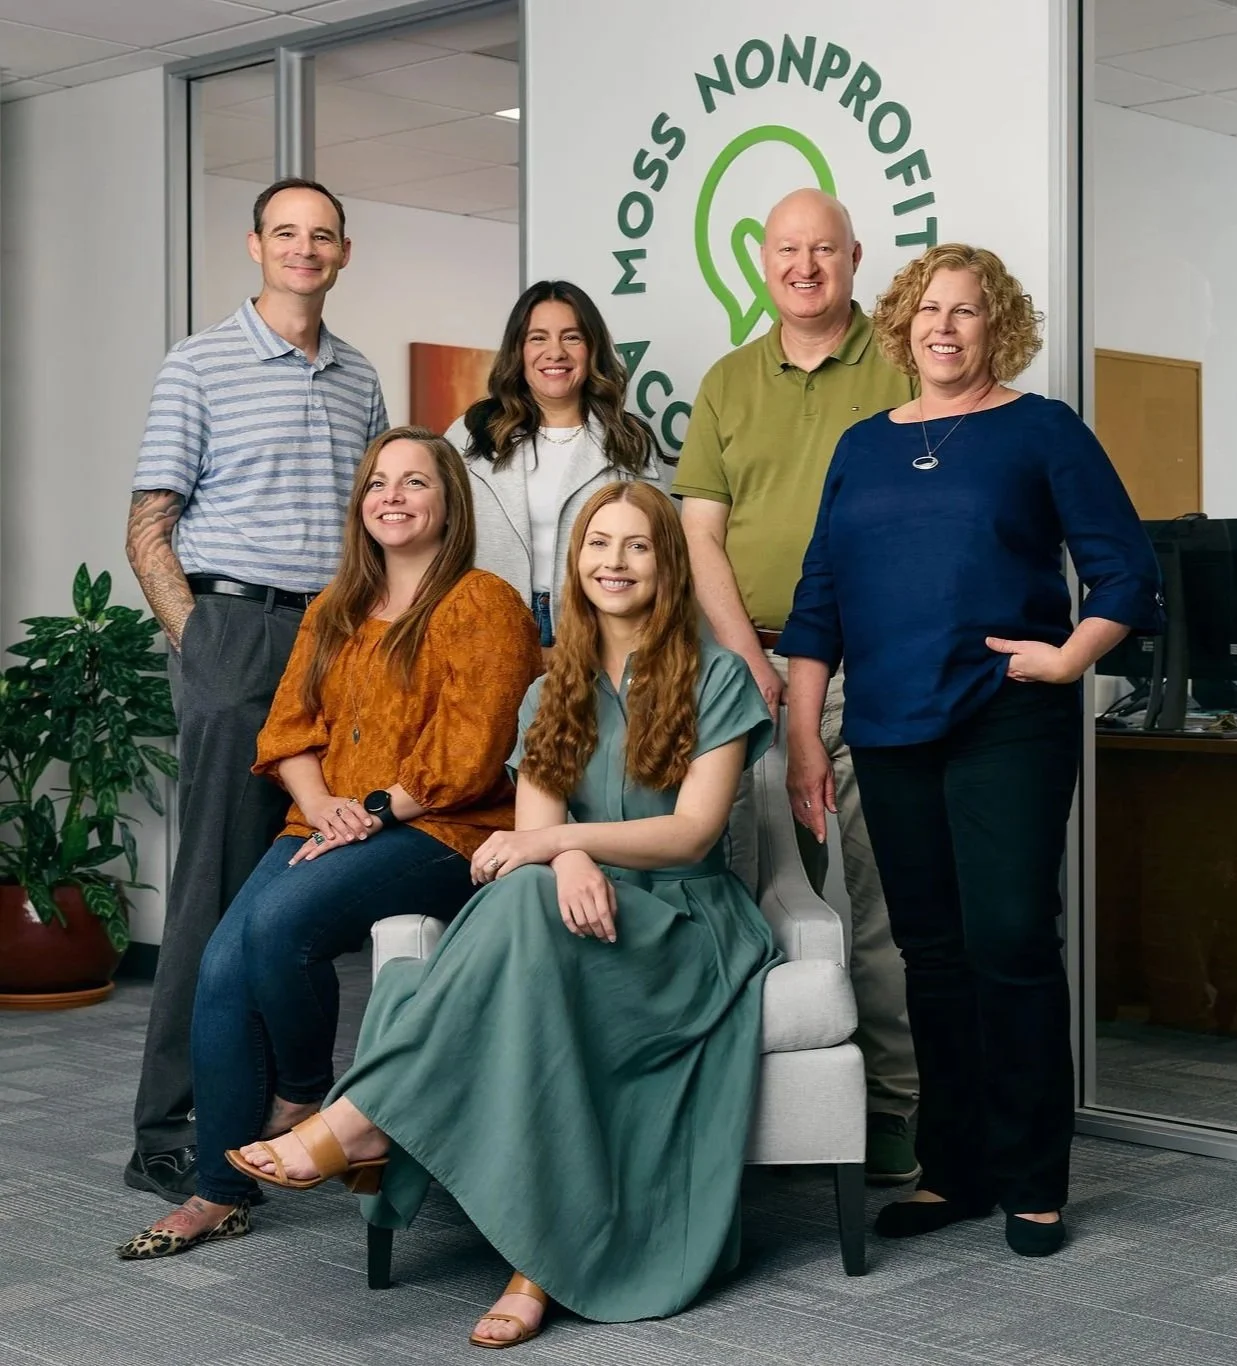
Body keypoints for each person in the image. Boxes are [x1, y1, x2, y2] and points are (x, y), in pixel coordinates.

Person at [221, 481, 780, 1344]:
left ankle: (367, 1117)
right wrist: (570, 853)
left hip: (685, 922)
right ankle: (532, 1258)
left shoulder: (718, 675)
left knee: (522, 889)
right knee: (524, 899)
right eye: (599, 545)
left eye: (637, 546)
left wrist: (561, 849)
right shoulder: (547, 689)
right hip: (575, 907)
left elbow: (692, 833)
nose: (615, 562)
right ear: (576, 565)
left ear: (668, 563)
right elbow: (538, 833)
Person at [779, 243, 1164, 1257]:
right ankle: (953, 1169)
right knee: (930, 957)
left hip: (1005, 720)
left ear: (996, 329)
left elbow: (1124, 570)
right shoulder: (861, 445)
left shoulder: (1040, 431)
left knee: (1008, 943)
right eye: (928, 310)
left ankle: (1032, 1178)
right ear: (902, 324)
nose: (943, 327)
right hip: (885, 727)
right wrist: (801, 741)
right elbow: (817, 603)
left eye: (966, 313)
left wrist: (1067, 654)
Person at [116, 427, 542, 1260]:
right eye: (379, 482)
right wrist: (325, 806)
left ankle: (306, 1094)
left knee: (279, 928)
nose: (392, 496)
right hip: (330, 818)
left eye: (415, 482)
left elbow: (473, 749)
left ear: (447, 502)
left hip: (446, 828)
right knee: (223, 959)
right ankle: (219, 1189)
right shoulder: (335, 604)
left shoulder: (483, 602)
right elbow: (289, 729)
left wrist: (372, 811)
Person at [124, 178, 389, 1202]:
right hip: (234, 629)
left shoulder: (359, 377)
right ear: (255, 246)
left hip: (332, 640)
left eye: (322, 235)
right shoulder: (198, 364)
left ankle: (289, 1106)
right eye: (286, 234)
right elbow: (149, 528)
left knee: (308, 880)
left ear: (343, 252)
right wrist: (205, 651)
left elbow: (370, 527)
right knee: (215, 886)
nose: (304, 249)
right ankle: (167, 1126)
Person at [672, 187, 920, 1184]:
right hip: (743, 671)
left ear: (854, 257)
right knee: (724, 883)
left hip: (870, 669)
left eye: (822, 250)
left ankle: (896, 1114)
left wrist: (812, 669)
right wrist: (750, 658)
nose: (803, 266)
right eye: (786, 250)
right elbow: (697, 533)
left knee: (877, 900)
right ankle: (725, 1102)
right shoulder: (727, 381)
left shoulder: (904, 367)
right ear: (761, 262)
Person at [448, 279, 668, 650]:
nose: (555, 352)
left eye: (571, 337)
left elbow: (662, 548)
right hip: (484, 626)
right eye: (538, 338)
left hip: (600, 630)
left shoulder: (631, 441)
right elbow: (437, 538)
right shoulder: (471, 435)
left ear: (592, 349)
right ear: (518, 350)